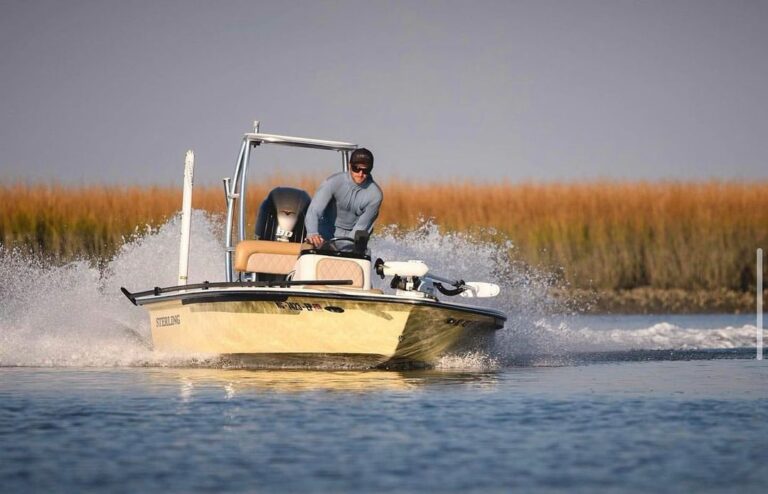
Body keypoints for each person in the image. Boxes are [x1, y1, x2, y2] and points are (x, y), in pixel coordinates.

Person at [305, 148, 383, 249]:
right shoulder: (333, 182)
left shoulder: (375, 195)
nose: (360, 174)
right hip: (324, 232)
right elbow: (314, 210)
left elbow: (361, 227)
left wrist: (341, 249)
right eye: (356, 168)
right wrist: (312, 233)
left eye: (365, 170)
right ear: (350, 166)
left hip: (352, 239)